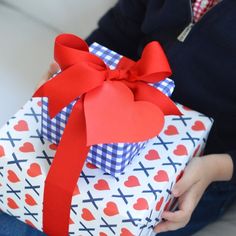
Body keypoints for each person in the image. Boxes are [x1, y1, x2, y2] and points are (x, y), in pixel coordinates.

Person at [1, 0, 235, 235]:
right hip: (115, 109)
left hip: (202, 170)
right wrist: (72, 72)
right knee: (18, 201)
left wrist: (216, 168)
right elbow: (115, 32)